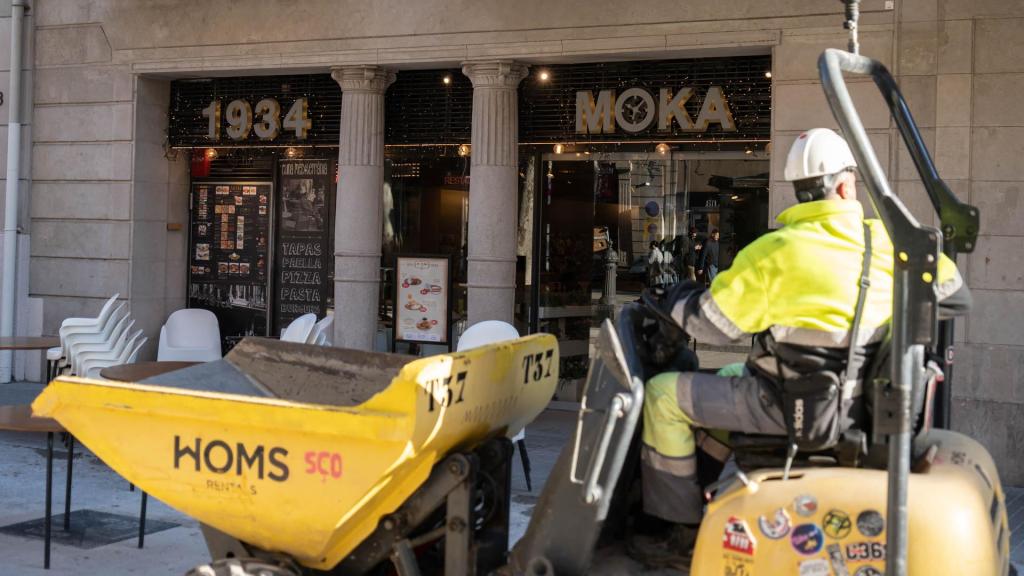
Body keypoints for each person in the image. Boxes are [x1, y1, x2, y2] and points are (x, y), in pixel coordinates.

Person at [629, 128, 971, 568]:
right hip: (863, 405)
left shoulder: (776, 250)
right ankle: (703, 492)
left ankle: (676, 530)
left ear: (798, 193)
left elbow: (712, 325)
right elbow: (956, 297)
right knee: (729, 379)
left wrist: (672, 296)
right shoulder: (891, 244)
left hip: (790, 403)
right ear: (846, 185)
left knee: (663, 396)